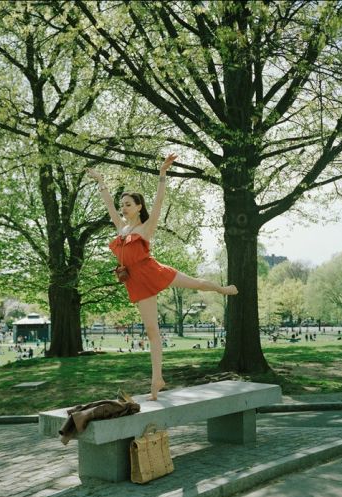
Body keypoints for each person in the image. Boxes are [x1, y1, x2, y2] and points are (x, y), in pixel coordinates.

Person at [88, 153, 238, 400]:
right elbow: (107, 203)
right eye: (122, 203)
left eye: (128, 204)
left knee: (197, 283)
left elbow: (158, 203)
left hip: (153, 271)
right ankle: (157, 379)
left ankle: (222, 289)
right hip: (136, 281)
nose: (123, 207)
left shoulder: (145, 228)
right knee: (151, 330)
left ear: (138, 207)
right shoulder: (121, 229)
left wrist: (162, 174)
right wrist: (101, 180)